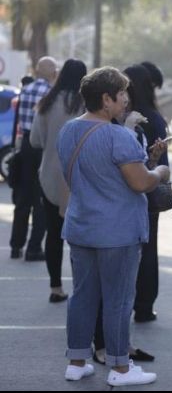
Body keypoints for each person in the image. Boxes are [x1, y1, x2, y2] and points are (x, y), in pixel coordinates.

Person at [58, 67, 168, 386]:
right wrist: (159, 172)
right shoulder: (118, 135)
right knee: (118, 300)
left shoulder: (68, 131)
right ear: (106, 99)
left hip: (81, 226)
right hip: (118, 232)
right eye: (122, 95)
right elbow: (139, 182)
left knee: (82, 296)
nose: (126, 101)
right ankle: (121, 368)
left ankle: (76, 361)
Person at [30, 59, 87, 303]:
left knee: (53, 233)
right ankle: (82, 288)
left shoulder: (47, 103)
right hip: (81, 178)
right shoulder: (87, 104)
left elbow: (35, 140)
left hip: (50, 176)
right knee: (80, 236)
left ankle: (55, 287)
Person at [125, 64, 169, 324]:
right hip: (149, 193)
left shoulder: (123, 117)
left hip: (124, 195)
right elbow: (160, 158)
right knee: (149, 250)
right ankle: (145, 306)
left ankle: (127, 303)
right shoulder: (154, 117)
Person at [10, 56, 57, 261]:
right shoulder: (50, 94)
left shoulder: (25, 91)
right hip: (42, 147)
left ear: (37, 71)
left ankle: (15, 246)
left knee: (22, 199)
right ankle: (34, 247)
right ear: (53, 73)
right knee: (40, 200)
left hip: (25, 146)